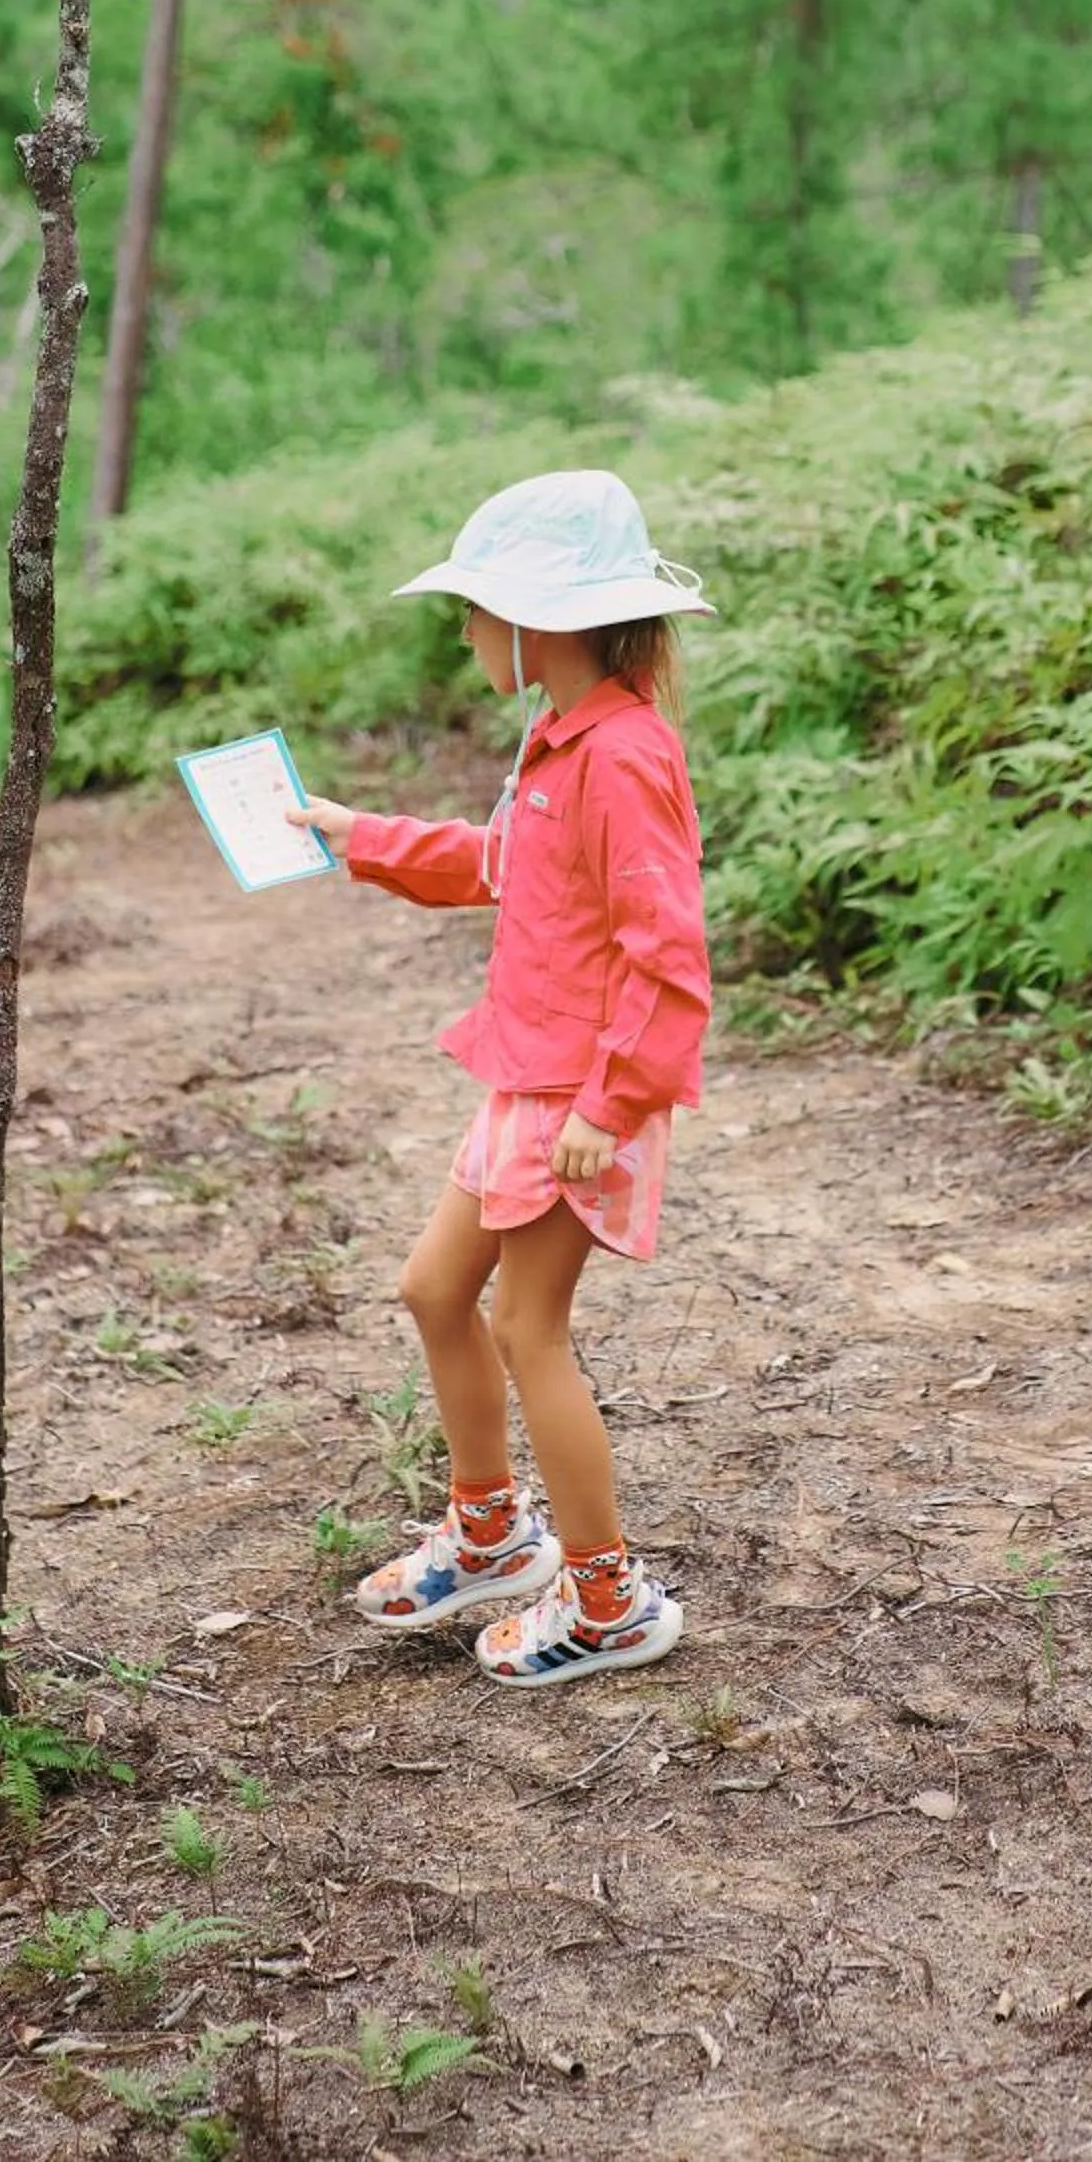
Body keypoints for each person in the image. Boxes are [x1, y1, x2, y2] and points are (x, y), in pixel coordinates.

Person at [285, 469, 713, 1690]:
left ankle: (607, 1599)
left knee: (530, 1327)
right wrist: (354, 833)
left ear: (543, 621)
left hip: (576, 1095)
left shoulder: (624, 754)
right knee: (434, 1292)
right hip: (525, 1079)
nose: (467, 630)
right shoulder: (560, 738)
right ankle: (489, 1534)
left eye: (478, 607)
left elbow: (666, 953)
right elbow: (505, 864)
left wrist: (608, 1107)